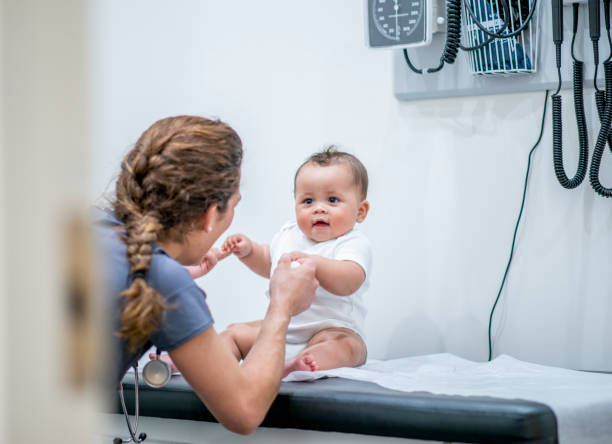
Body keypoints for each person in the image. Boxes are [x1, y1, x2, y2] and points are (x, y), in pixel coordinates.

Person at [93, 115, 318, 435]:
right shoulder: (163, 281)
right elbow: (244, 410)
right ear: (212, 214)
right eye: (235, 204)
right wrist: (282, 306)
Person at [220, 147, 372, 377]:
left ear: (360, 211)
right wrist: (249, 252)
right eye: (308, 200)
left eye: (332, 200)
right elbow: (270, 264)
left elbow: (349, 280)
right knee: (234, 332)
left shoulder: (352, 243)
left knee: (348, 348)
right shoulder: (288, 235)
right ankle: (202, 367)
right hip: (281, 331)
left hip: (330, 330)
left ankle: (299, 365)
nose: (319, 208)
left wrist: (315, 264)